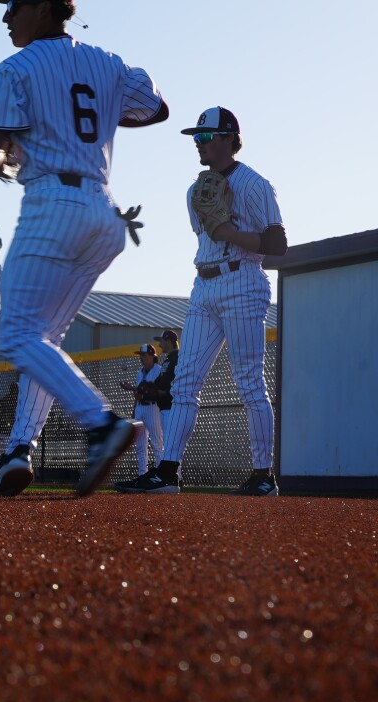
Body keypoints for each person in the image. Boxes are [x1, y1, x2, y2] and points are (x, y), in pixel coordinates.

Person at [0, 0, 168, 496]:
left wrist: (4, 156)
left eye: (14, 6)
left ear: (41, 6)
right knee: (43, 341)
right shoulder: (109, 61)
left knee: (16, 335)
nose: (6, 17)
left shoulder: (15, 67)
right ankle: (19, 451)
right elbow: (158, 108)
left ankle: (102, 424)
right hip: (104, 212)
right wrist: (99, 118)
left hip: (52, 204)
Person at [116, 107, 287, 496]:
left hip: (242, 280)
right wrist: (220, 230)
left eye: (206, 138)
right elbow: (206, 236)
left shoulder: (255, 184)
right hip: (204, 284)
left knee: (248, 383)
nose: (199, 144)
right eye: (196, 138)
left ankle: (264, 475)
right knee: (185, 380)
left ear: (229, 138)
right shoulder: (195, 190)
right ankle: (168, 472)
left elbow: (278, 246)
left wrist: (230, 231)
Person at [118, 344, 164, 479]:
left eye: (144, 355)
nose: (141, 358)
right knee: (140, 445)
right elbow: (139, 394)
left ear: (152, 356)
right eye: (140, 355)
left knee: (157, 443)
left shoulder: (159, 371)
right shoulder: (140, 372)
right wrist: (134, 410)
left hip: (153, 408)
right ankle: (142, 475)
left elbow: (155, 391)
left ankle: (160, 476)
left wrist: (133, 388)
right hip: (140, 408)